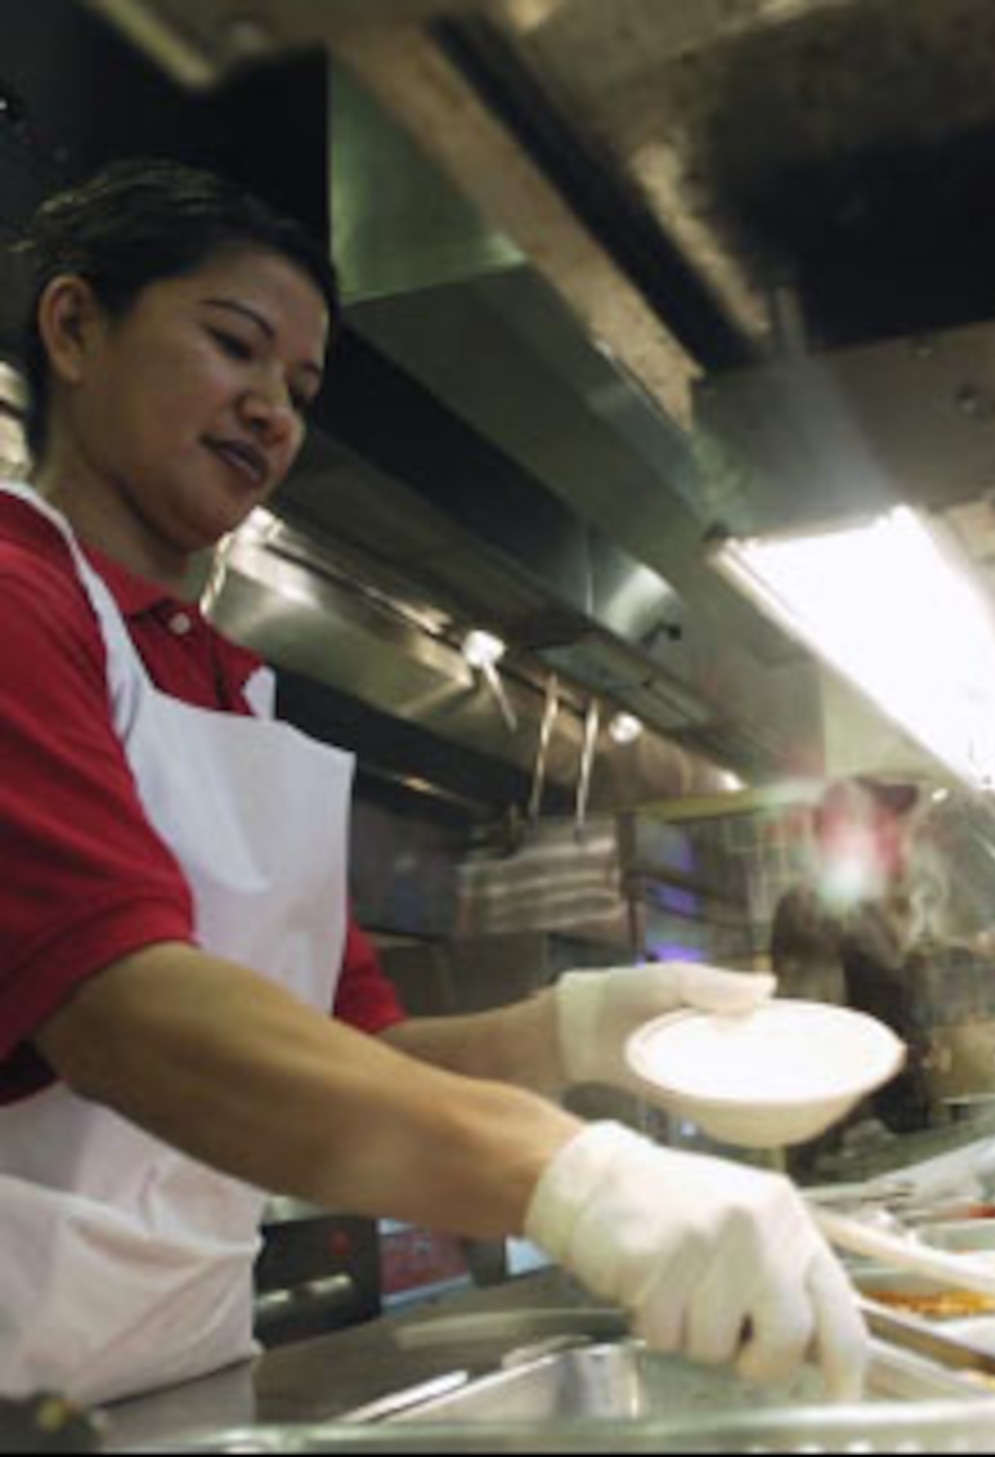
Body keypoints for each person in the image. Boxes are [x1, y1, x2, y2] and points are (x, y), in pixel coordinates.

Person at [0, 159, 865, 1407]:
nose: (270, 412)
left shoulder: (227, 687)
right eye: (233, 347)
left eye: (297, 389)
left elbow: (369, 1051)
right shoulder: (19, 599)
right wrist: (574, 1176)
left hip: (175, 1385)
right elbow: (126, 1017)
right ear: (75, 326)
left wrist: (575, 1030)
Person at [769, 778, 936, 1140]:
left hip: (901, 1112)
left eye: (892, 823)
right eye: (876, 824)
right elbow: (815, 1023)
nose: (893, 835)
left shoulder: (873, 911)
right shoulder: (809, 908)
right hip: (856, 1132)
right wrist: (857, 1120)